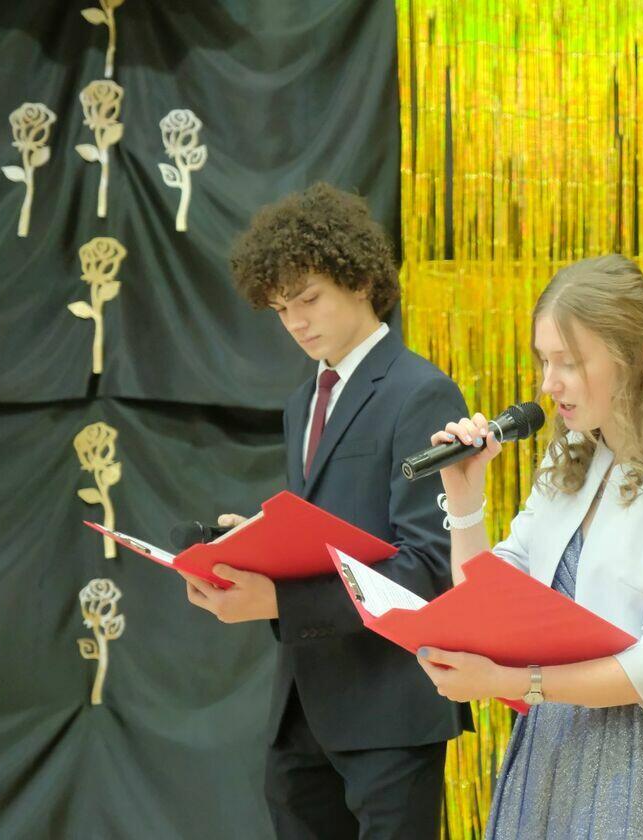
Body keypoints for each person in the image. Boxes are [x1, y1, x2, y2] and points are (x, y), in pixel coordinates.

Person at [414, 254, 643, 839]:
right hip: (554, 744)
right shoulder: (572, 453)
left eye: (569, 363)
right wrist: (465, 501)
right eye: (545, 361)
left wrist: (509, 683)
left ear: (636, 356)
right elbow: (489, 604)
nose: (549, 384)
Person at [180, 182, 469, 839]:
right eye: (280, 309)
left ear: (360, 278)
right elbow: (325, 536)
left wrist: (280, 600)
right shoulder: (301, 401)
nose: (296, 322)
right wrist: (256, 548)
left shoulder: (421, 392)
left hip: (389, 708)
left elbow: (427, 570)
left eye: (308, 298)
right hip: (301, 708)